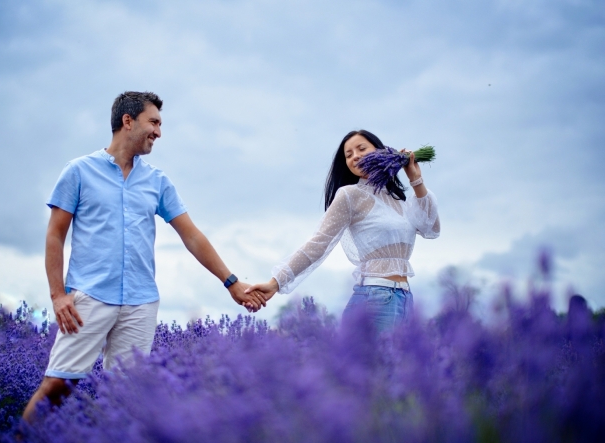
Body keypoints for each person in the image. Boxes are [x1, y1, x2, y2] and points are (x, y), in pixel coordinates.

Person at [22, 91, 265, 422]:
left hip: (140, 302)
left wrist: (231, 282)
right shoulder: (79, 171)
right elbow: (55, 235)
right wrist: (57, 295)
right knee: (58, 386)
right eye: (154, 122)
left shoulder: (157, 181)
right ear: (128, 121)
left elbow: (192, 235)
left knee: (127, 398)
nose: (159, 132)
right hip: (89, 297)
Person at [245, 130, 440, 331]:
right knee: (372, 363)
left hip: (405, 298)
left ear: (380, 151)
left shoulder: (399, 200)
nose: (355, 156)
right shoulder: (350, 195)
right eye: (348, 155)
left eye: (361, 149)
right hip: (375, 300)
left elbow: (431, 228)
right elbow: (318, 243)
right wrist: (276, 282)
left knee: (398, 363)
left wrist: (416, 180)